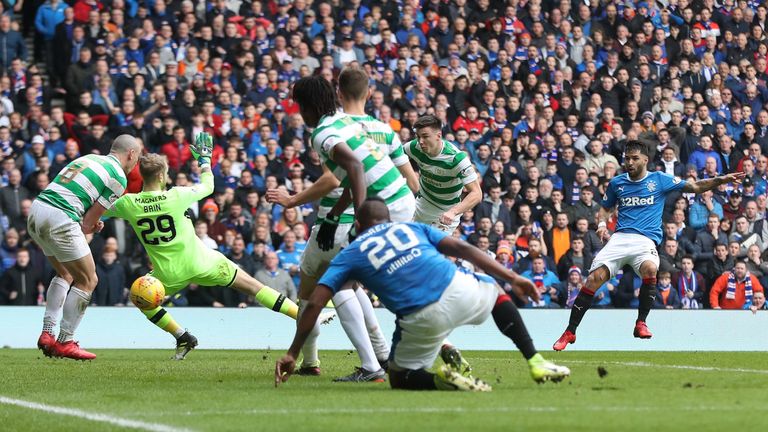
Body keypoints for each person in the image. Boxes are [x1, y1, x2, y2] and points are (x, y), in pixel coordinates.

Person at [275, 198, 570, 391]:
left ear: (358, 226)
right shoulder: (411, 229)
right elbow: (462, 248)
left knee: (399, 376)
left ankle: (442, 382)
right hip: (460, 291)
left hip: (420, 317)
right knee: (494, 293)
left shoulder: (349, 254)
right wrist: (514, 277)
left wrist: (293, 352)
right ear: (388, 219)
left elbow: (315, 302)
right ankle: (535, 360)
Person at [269, 70, 415, 382]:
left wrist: (359, 219)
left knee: (344, 284)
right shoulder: (346, 122)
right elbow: (352, 176)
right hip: (396, 201)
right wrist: (340, 212)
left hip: (385, 208)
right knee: (352, 281)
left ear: (306, 107)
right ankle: (381, 357)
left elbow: (354, 167)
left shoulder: (322, 133)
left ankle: (373, 365)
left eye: (298, 106)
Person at [104, 134, 301, 360]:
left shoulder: (128, 203)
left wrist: (97, 220)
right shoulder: (176, 195)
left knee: (144, 299)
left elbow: (101, 209)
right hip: (203, 262)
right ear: (160, 176)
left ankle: (181, 335)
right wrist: (205, 161)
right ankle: (301, 316)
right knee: (254, 287)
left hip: (168, 273)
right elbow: (208, 185)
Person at [553, 140, 745, 351]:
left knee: (650, 269)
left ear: (645, 160)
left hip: (645, 241)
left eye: (634, 158)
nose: (629, 162)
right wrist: (600, 223)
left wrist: (721, 180)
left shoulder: (659, 180)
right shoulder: (617, 183)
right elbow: (605, 209)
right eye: (627, 158)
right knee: (593, 279)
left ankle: (641, 322)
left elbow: (695, 186)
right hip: (620, 238)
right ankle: (570, 332)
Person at [30, 134, 141, 360]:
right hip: (60, 217)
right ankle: (65, 341)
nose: (135, 163)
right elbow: (87, 224)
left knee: (65, 272)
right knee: (89, 280)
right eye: (137, 158)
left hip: (36, 211)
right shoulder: (118, 177)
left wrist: (86, 221)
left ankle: (47, 332)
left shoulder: (89, 158)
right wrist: (92, 225)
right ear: (131, 154)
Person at [404, 115, 482, 233]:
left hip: (445, 213)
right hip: (422, 204)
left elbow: (477, 194)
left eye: (425, 136)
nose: (420, 141)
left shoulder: (456, 159)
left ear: (438, 136)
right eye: (418, 136)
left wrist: (453, 212)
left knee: (433, 249)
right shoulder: (414, 147)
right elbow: (394, 158)